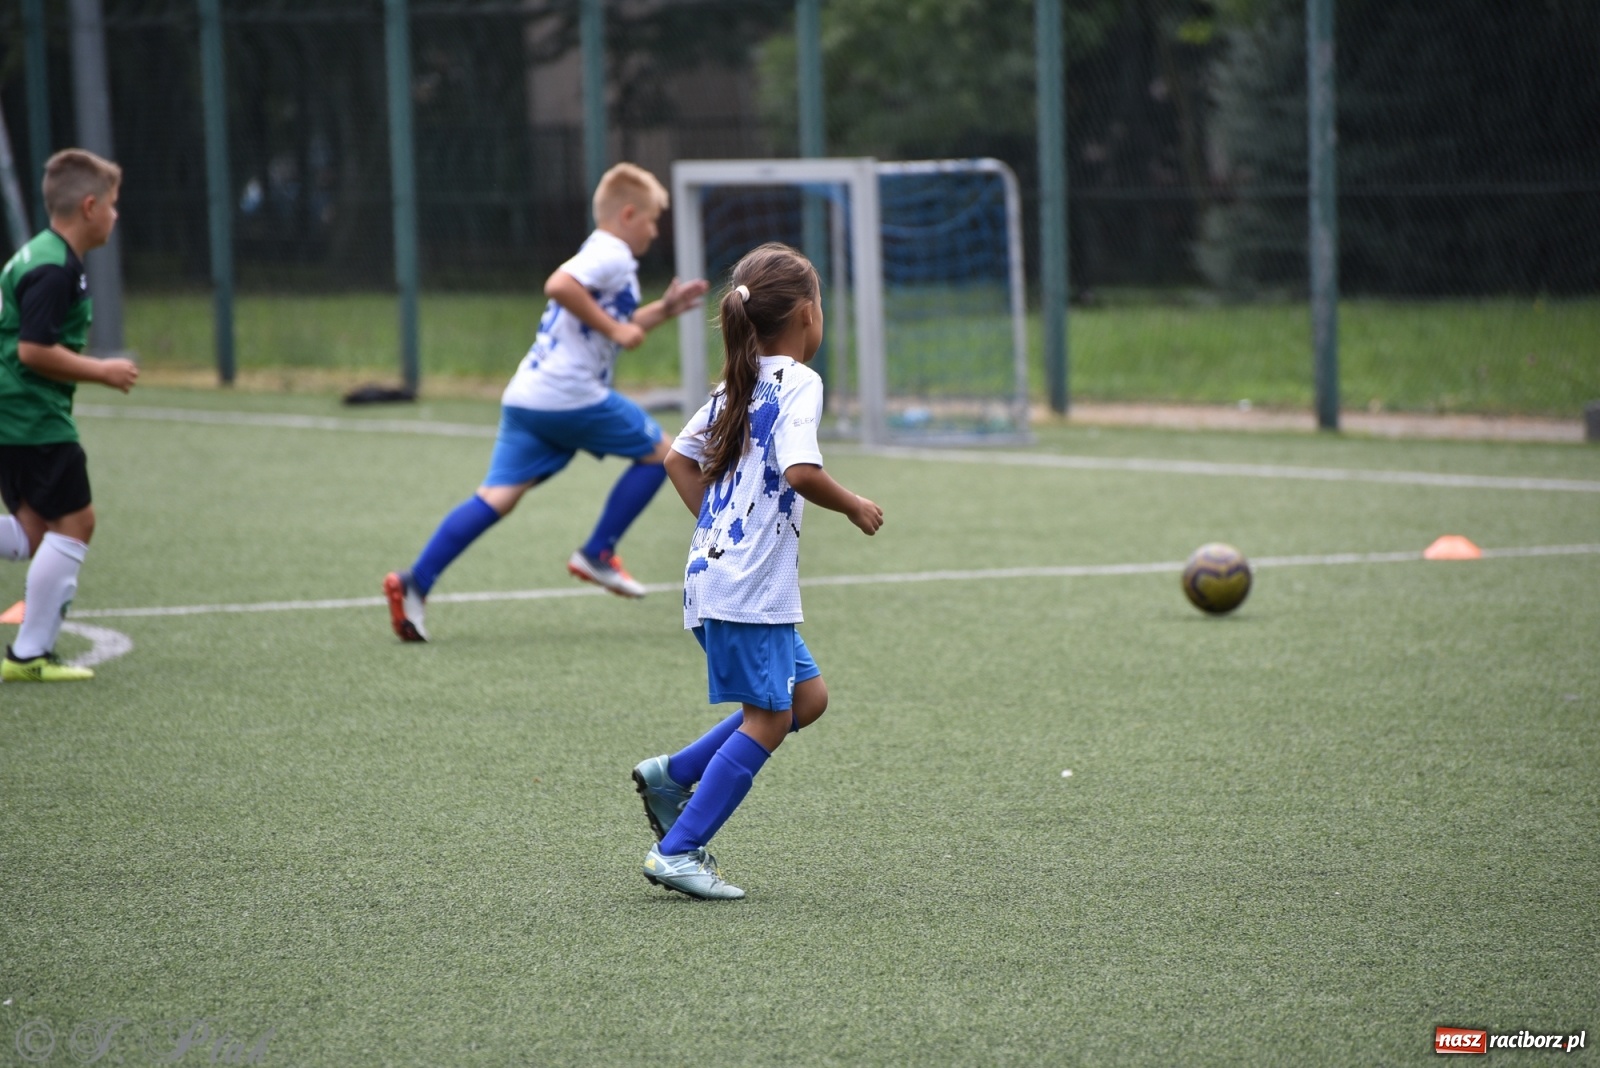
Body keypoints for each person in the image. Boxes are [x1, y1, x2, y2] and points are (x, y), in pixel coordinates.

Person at [631, 243, 884, 900]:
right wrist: (853, 504)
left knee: (807, 700)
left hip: (714, 580)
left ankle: (673, 775)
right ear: (806, 314)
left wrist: (712, 531)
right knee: (768, 719)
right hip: (749, 591)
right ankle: (678, 849)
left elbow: (678, 462)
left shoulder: (736, 383)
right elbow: (801, 471)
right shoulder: (798, 381)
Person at [384, 162, 708, 641]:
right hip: (567, 394)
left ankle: (415, 583)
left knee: (497, 498)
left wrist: (661, 310)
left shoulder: (602, 254)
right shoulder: (613, 253)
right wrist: (618, 328)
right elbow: (559, 286)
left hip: (529, 397)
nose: (655, 231)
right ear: (627, 213)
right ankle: (598, 552)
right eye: (652, 220)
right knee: (663, 454)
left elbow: (600, 317)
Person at [0, 148, 139, 682]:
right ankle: (29, 656)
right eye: (112, 203)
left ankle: (29, 654)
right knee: (77, 522)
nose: (115, 214)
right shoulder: (55, 269)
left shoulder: (42, 255)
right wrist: (101, 370)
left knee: (32, 531)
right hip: (31, 415)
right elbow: (33, 350)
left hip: (17, 412)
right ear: (88, 207)